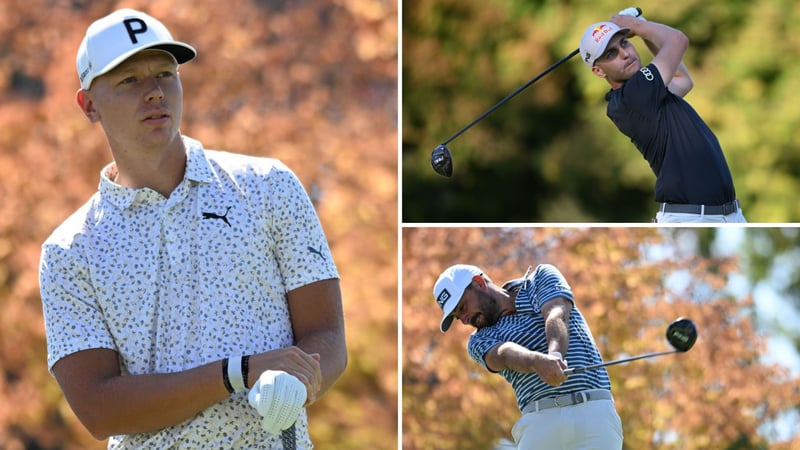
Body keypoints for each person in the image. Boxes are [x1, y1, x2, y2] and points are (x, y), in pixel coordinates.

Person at [38, 9, 347, 449]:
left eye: (165, 74)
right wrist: (238, 372)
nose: (154, 93)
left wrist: (297, 379)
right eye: (129, 81)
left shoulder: (268, 186)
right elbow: (98, 408)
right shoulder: (71, 252)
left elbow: (329, 336)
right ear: (89, 105)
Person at [580, 8, 747, 223]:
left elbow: (682, 80)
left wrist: (642, 25)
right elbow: (678, 40)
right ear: (599, 71)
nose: (624, 53)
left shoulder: (642, 96)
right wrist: (637, 26)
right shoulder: (635, 95)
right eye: (610, 54)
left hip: (728, 215)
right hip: (693, 217)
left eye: (624, 43)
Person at [433, 264, 623, 449]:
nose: (465, 320)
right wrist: (536, 362)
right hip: (539, 422)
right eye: (458, 317)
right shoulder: (478, 340)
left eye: (463, 307)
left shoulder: (540, 278)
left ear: (479, 283)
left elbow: (557, 313)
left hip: (593, 413)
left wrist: (555, 355)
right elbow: (503, 354)